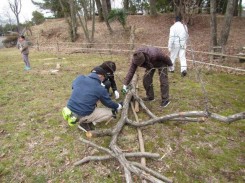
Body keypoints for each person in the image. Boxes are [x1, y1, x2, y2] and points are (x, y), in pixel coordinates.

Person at [62, 66, 123, 131]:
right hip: (81, 114)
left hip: (69, 109)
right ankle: (84, 122)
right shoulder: (100, 88)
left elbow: (74, 87)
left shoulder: (80, 78)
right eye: (103, 78)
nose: (103, 80)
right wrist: (118, 106)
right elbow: (108, 103)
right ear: (100, 76)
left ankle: (79, 118)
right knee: (110, 113)